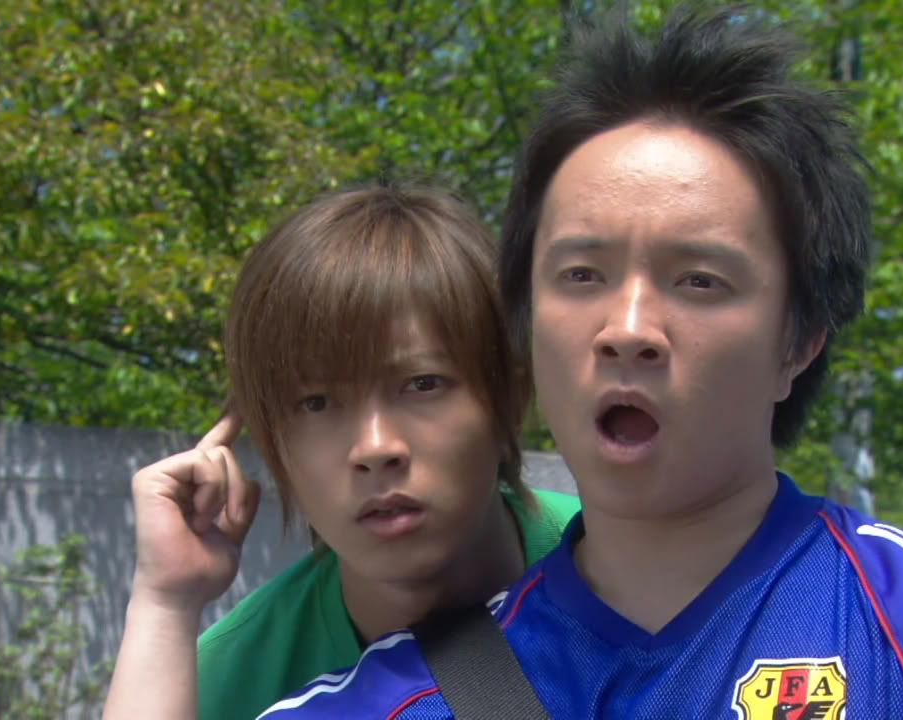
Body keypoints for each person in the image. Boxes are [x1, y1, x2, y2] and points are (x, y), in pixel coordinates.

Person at [257, 6, 903, 719]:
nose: (627, 329)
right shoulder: (397, 700)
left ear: (799, 341)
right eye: (581, 276)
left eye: (698, 281)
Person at [101, 186, 580, 720]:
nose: (374, 448)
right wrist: (165, 602)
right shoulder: (227, 683)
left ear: (510, 398)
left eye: (422, 384)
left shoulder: (622, 567)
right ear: (271, 439)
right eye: (316, 402)